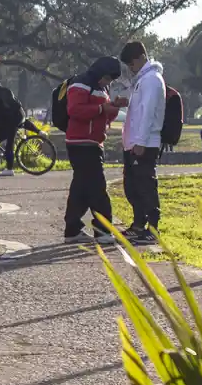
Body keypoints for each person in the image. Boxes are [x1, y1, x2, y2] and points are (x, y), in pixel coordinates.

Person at [63, 56, 126, 244]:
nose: (109, 82)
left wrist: (113, 107)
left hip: (93, 141)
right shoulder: (80, 84)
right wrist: (101, 108)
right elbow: (74, 109)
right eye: (107, 78)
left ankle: (72, 229)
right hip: (81, 142)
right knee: (97, 187)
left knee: (81, 189)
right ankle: (103, 230)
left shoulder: (101, 88)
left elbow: (105, 117)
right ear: (100, 72)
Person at [119, 41, 166, 245]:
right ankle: (138, 224)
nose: (131, 68)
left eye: (131, 64)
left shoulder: (152, 80)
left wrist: (140, 141)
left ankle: (153, 228)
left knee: (146, 185)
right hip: (134, 142)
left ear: (141, 57)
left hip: (145, 143)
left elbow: (147, 113)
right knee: (132, 186)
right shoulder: (141, 80)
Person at [0, 78, 40, 177]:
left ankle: (9, 168)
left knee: (9, 144)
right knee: (21, 123)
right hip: (19, 114)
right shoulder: (6, 90)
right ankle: (39, 131)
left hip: (11, 119)